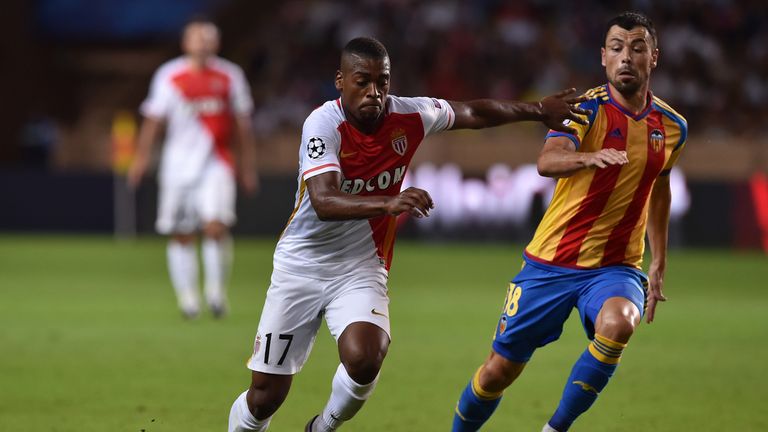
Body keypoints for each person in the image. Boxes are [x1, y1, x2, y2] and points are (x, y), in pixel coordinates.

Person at [228, 36, 590, 432]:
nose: (374, 92)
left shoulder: (410, 113)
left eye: (382, 82)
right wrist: (388, 202)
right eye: (362, 81)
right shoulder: (322, 124)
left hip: (360, 266)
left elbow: (472, 111)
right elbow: (323, 200)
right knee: (265, 397)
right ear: (340, 81)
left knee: (367, 356)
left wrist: (537, 110)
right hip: (300, 266)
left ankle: (322, 426)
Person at [451, 12, 687, 432]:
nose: (626, 58)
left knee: (619, 323)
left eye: (636, 48)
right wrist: (587, 158)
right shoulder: (586, 109)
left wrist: (659, 260)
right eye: (616, 49)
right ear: (603, 57)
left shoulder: (671, 126)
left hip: (616, 267)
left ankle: (554, 429)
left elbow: (660, 187)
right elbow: (547, 160)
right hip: (550, 263)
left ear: (655, 57)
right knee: (497, 372)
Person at [127, 17, 258, 319]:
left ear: (216, 43)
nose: (202, 43)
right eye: (196, 38)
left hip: (217, 162)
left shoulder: (230, 76)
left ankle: (216, 293)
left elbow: (242, 125)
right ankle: (188, 299)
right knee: (181, 233)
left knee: (215, 226)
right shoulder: (168, 75)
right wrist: (141, 158)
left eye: (207, 38)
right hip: (177, 166)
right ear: (186, 43)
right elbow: (153, 121)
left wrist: (247, 166)